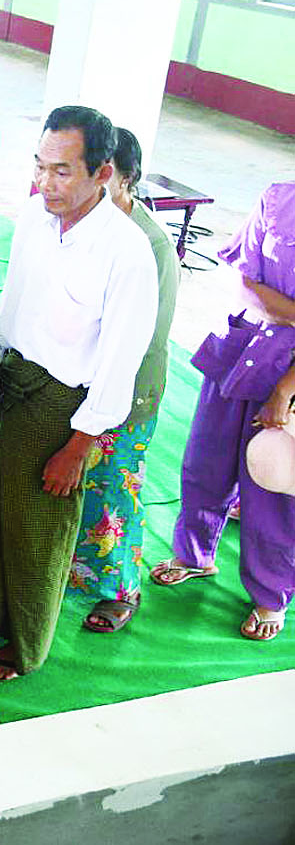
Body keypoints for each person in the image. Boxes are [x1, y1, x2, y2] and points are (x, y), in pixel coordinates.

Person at [0, 106, 157, 682]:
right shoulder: (33, 218)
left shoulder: (127, 252)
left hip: (61, 406)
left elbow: (119, 360)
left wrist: (78, 446)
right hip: (12, 382)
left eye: (61, 171)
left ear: (103, 172)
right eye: (39, 166)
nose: (45, 182)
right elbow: (11, 305)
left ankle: (25, 647)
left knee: (39, 529)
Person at [150, 181, 295, 642]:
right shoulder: (278, 196)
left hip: (288, 376)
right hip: (241, 347)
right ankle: (194, 554)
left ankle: (270, 593)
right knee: (205, 461)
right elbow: (243, 281)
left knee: (272, 490)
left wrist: (284, 391)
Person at [63, 128, 178, 632]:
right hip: (75, 378)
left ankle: (120, 589)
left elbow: (144, 340)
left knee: (113, 487)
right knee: (70, 480)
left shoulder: (151, 247)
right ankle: (66, 570)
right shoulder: (79, 224)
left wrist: (103, 392)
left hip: (127, 389)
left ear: (125, 179)